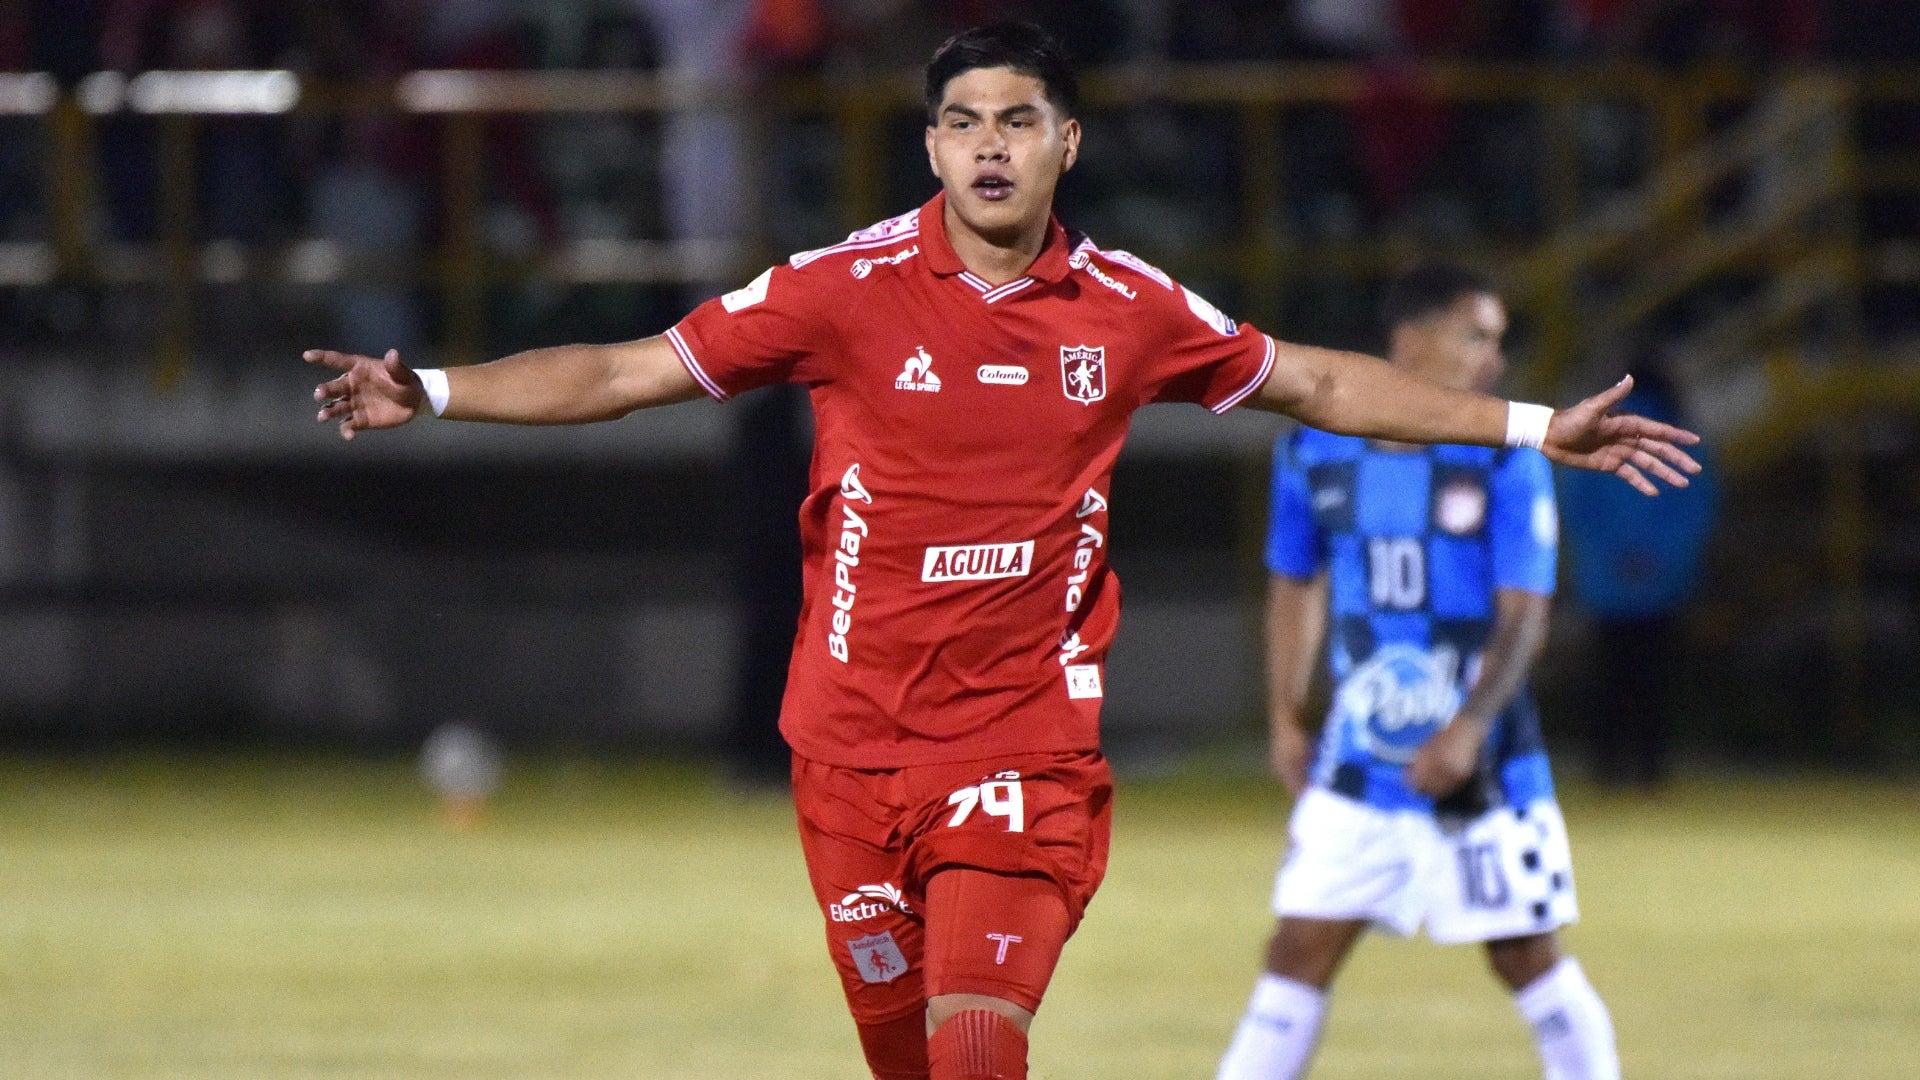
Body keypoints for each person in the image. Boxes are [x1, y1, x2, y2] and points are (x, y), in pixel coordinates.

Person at [308, 26, 1696, 1080]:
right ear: (930, 148)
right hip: (847, 756)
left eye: (1018, 120)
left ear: (1065, 143)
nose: (988, 145)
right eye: (962, 121)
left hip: (1020, 757)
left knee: (977, 1048)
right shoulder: (836, 293)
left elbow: (1323, 386)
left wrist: (1527, 426)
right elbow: (621, 371)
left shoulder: (1130, 309)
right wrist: (430, 387)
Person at [1216, 262, 1621, 1080]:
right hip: (1360, 762)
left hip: (1481, 770)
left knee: (1525, 957)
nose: (1494, 361)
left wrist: (1468, 730)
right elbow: (1295, 585)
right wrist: (1285, 716)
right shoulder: (1311, 454)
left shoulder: (1506, 460)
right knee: (1297, 948)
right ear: (1412, 339)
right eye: (1477, 336)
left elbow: (1525, 614)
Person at [1557, 361, 1717, 788]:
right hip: (1662, 584)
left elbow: (1578, 508)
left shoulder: (1596, 434)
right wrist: (1660, 558)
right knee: (1654, 677)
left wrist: (1607, 559)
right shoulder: (1686, 436)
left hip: (1605, 583)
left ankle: (1606, 766)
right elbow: (1696, 509)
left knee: (1607, 675)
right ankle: (1649, 767)